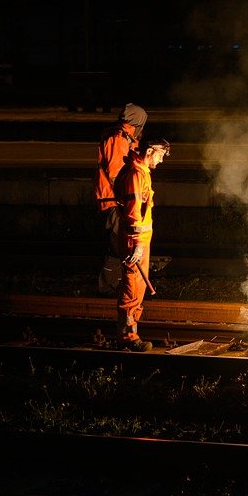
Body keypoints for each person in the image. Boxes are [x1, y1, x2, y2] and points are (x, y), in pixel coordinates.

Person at [114, 137, 170, 351]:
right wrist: (137, 244)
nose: (161, 160)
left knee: (137, 289)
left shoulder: (141, 173)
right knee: (132, 288)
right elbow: (133, 212)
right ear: (149, 151)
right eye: (160, 155)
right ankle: (127, 339)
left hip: (139, 241)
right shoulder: (136, 176)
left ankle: (131, 334)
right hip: (134, 242)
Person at [95, 103, 147, 296]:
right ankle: (107, 287)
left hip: (118, 199)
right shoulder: (118, 139)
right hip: (112, 199)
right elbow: (116, 174)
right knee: (117, 243)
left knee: (120, 242)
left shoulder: (127, 138)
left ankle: (115, 284)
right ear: (137, 121)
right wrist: (128, 197)